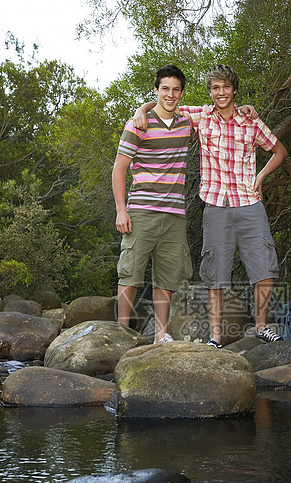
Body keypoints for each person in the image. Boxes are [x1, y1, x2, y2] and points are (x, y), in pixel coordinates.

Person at [134, 64, 287, 347]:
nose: (221, 93)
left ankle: (262, 328)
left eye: (226, 87)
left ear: (234, 90)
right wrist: (141, 110)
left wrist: (261, 177)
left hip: (249, 202)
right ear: (210, 91)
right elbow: (167, 103)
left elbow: (279, 150)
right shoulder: (201, 117)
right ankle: (216, 338)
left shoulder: (249, 121)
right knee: (216, 274)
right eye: (215, 88)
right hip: (215, 205)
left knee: (264, 267)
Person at [112, 64, 193, 343]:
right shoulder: (138, 124)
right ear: (156, 90)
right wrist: (121, 210)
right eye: (165, 89)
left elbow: (220, 107)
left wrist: (247, 109)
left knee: (166, 279)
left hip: (174, 215)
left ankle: (161, 335)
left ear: (181, 93)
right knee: (131, 273)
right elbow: (119, 168)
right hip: (141, 211)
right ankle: (122, 332)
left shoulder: (187, 122)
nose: (170, 95)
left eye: (176, 89)